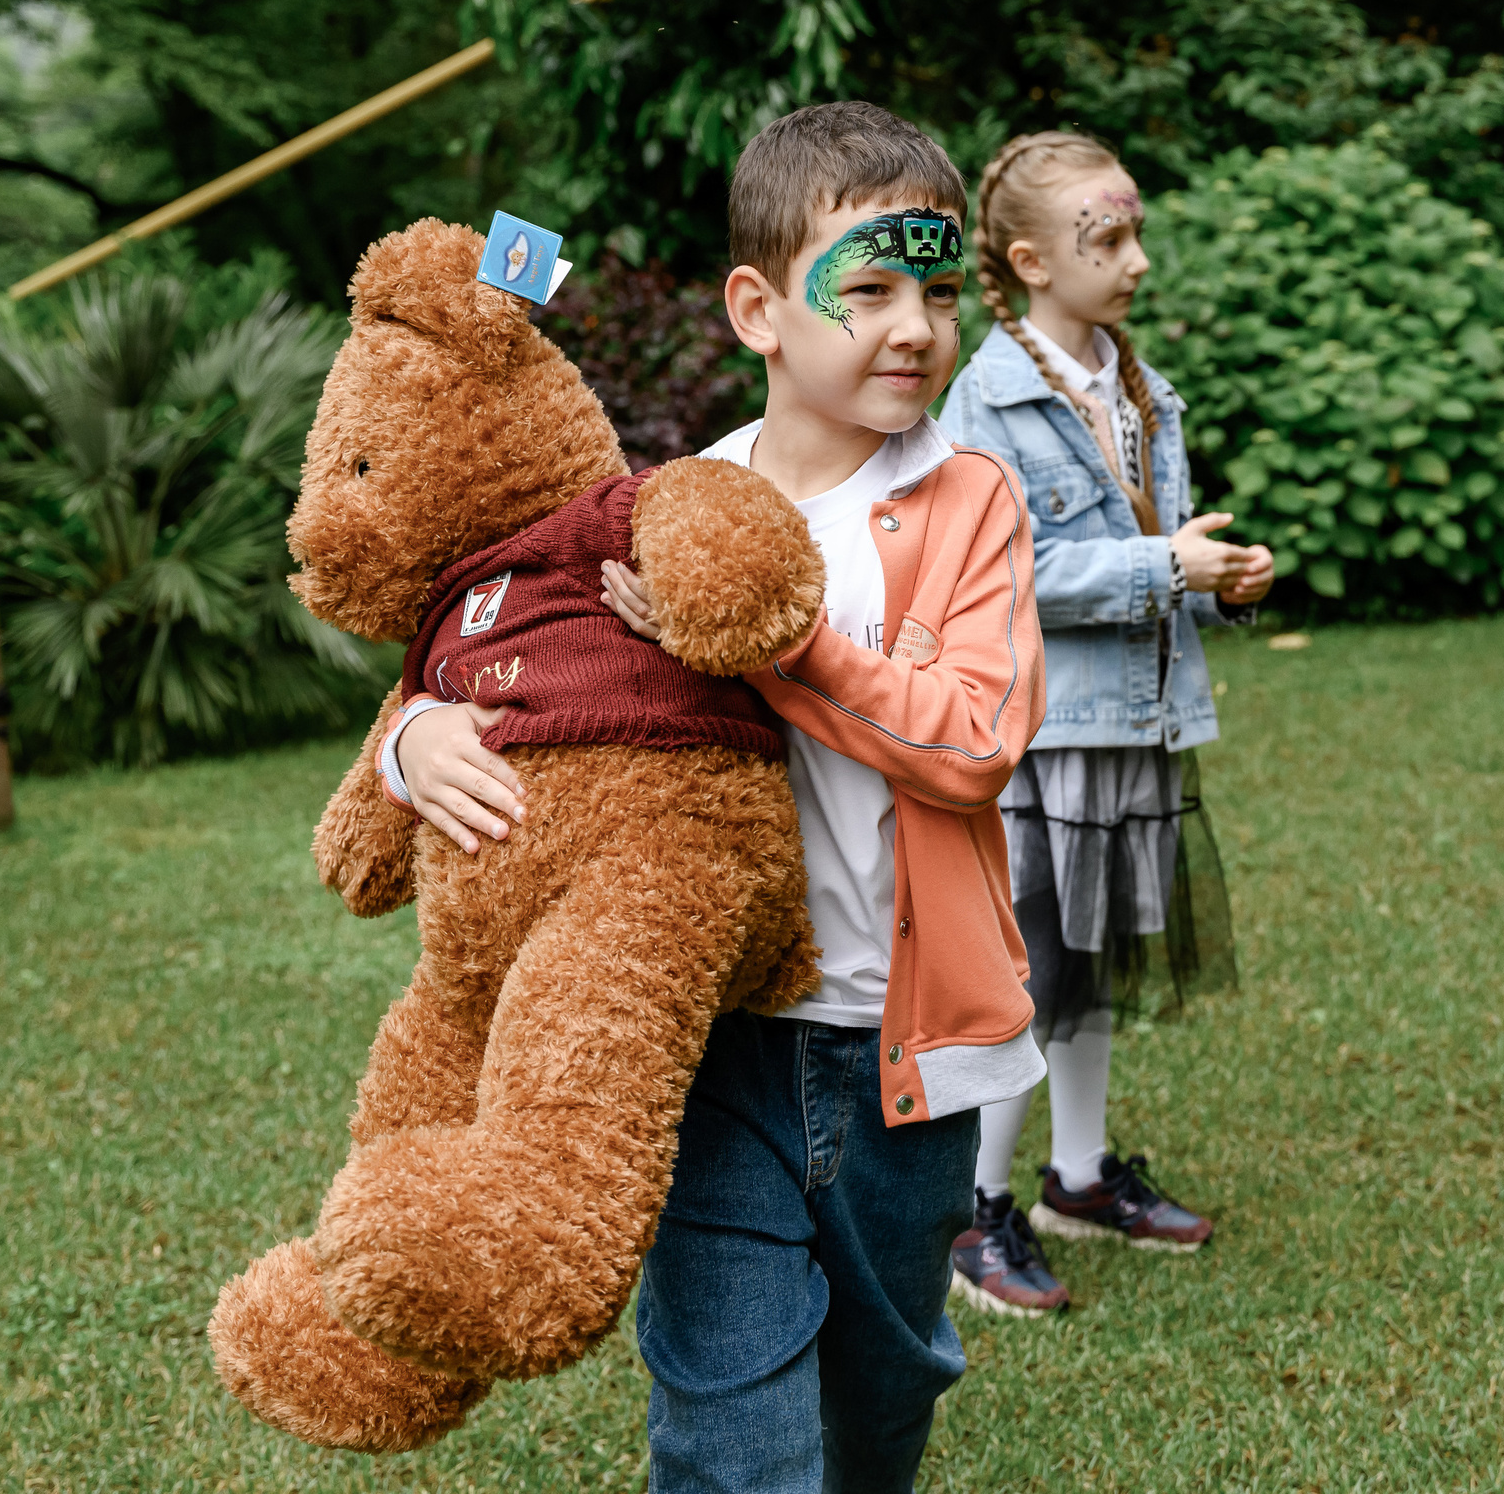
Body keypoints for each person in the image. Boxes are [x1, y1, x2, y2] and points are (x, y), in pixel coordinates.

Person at [386, 100, 1045, 1493]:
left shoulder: (970, 501)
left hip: (904, 1051)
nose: (912, 327)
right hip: (709, 1036)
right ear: (759, 306)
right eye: (864, 290)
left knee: (883, 1390)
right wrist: (418, 736)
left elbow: (979, 737)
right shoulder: (659, 504)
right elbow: (498, 640)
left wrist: (775, 638)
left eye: (936, 290)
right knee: (729, 1423)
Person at [935, 130, 1273, 1317]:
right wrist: (1159, 567)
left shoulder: (1135, 386)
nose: (1135, 258)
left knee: (1091, 968)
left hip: (1133, 733)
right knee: (1027, 976)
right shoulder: (986, 401)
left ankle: (1075, 1179)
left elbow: (1149, 547)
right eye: (1107, 237)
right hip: (1050, 739)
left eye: (1135, 231)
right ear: (1031, 260)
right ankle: (972, 1214)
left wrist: (1212, 577)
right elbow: (1001, 576)